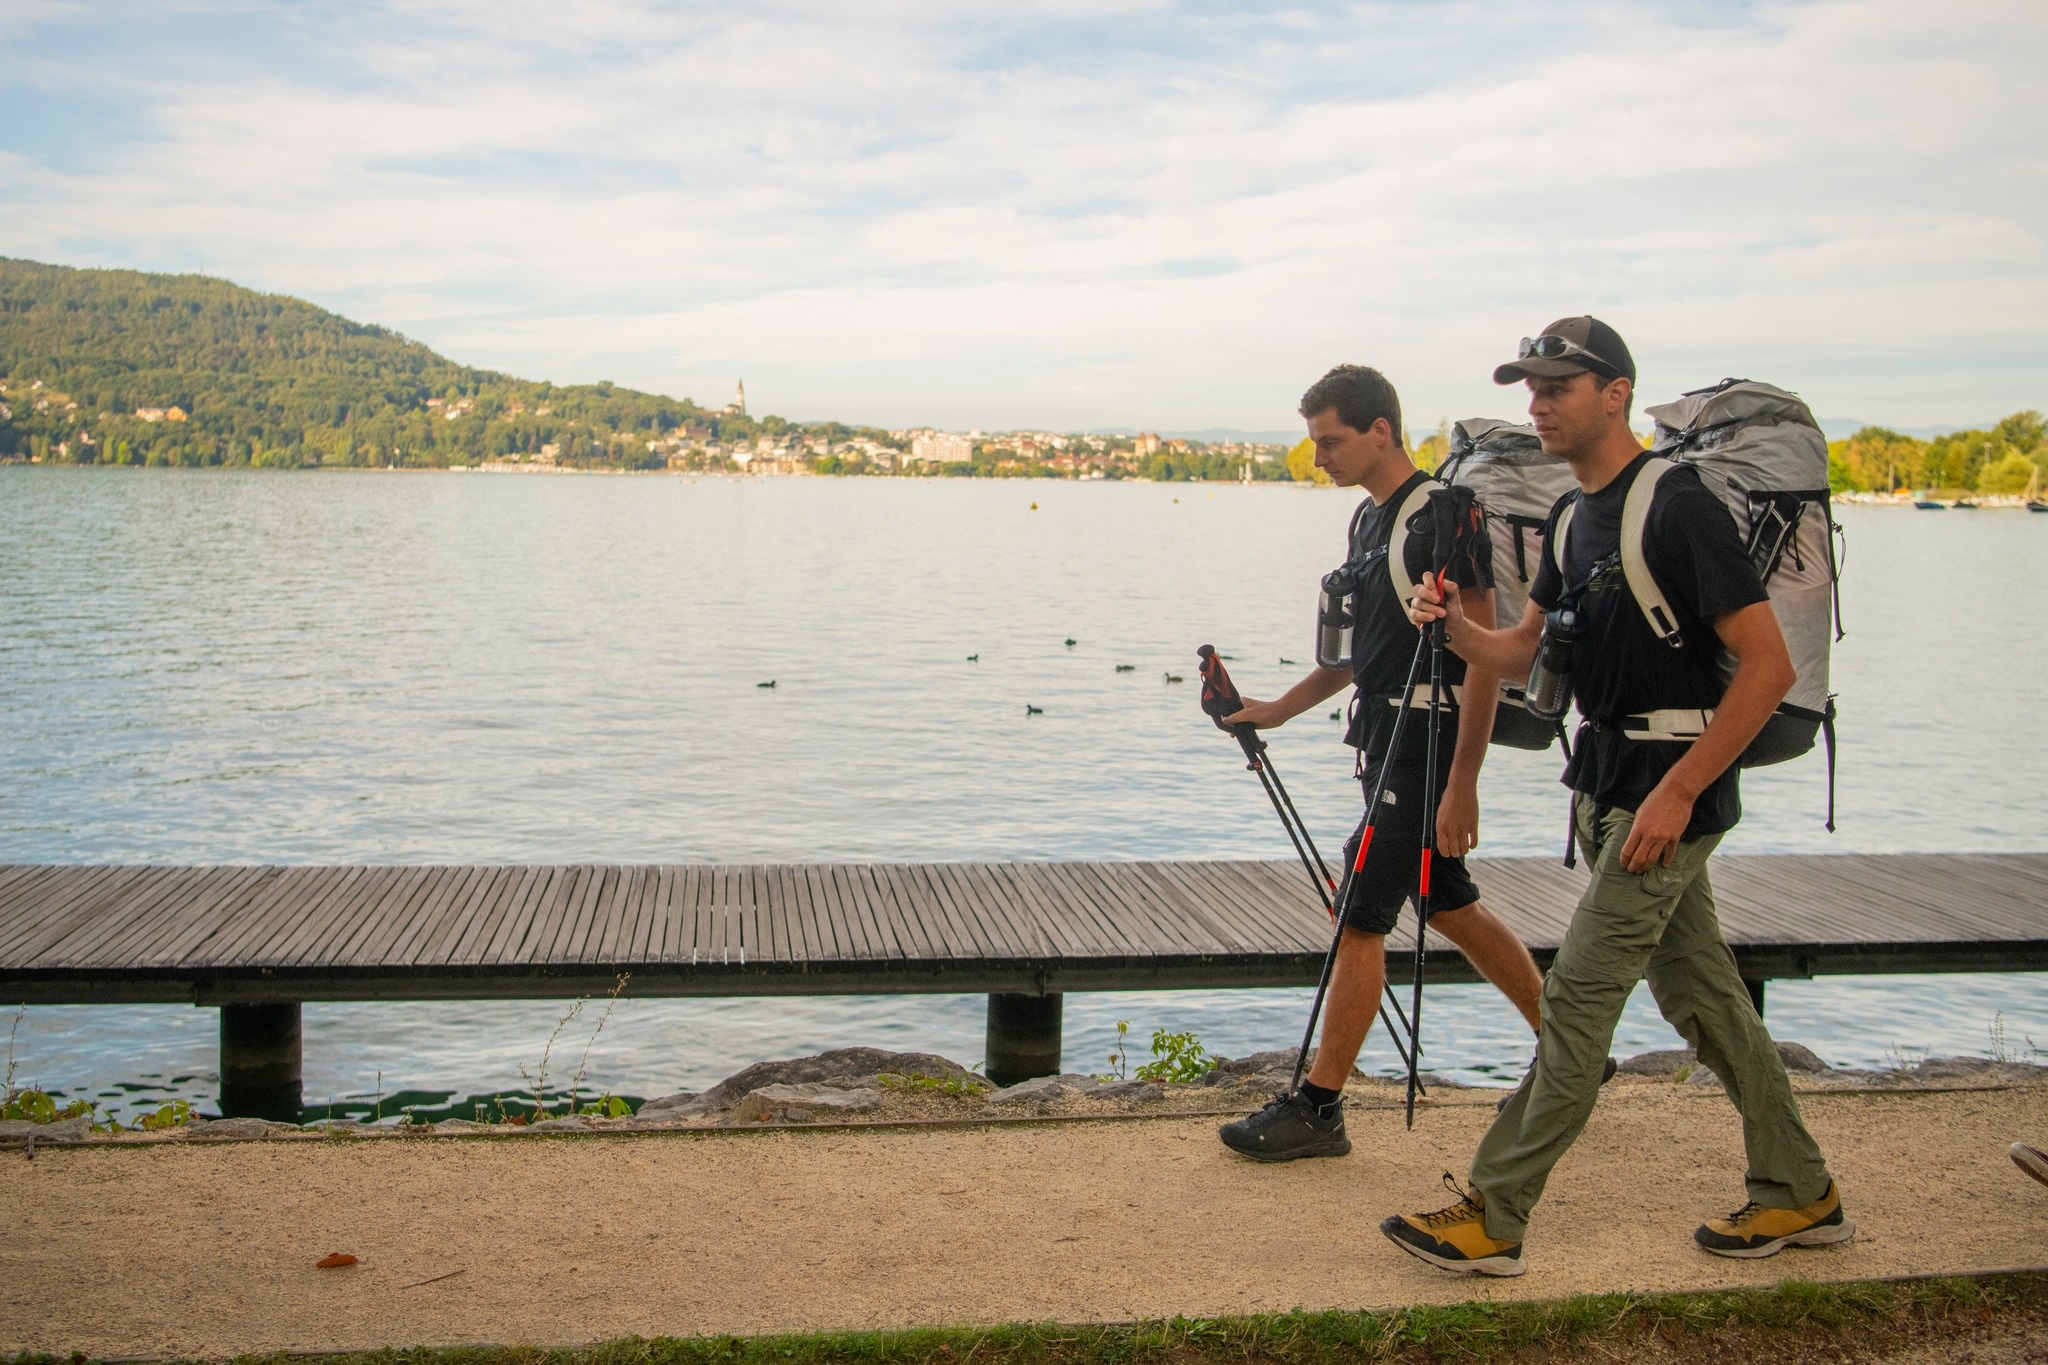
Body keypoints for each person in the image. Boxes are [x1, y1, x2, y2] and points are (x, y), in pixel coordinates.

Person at [1384, 317, 1851, 1276]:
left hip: (1665, 800)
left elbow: (1766, 667)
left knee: (1580, 999)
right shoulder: (1568, 516)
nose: (1539, 403)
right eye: (1531, 388)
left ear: (1617, 392)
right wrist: (1459, 628)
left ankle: (1495, 1212)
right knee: (1706, 1000)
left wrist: (1680, 795)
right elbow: (1523, 650)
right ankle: (1802, 1191)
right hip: (1602, 791)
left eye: (1559, 385)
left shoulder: (1674, 505)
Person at [1215, 364, 1548, 1162]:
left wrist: (1462, 782)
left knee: (1360, 908)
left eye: (1329, 440)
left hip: (1428, 745)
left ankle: (1321, 1106)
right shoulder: (1372, 523)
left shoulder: (1444, 514)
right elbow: (1358, 659)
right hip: (1383, 738)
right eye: (1313, 442)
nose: (1319, 456)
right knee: (1446, 900)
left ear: (1380, 431)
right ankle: (1573, 1047)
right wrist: (1273, 708)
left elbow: (1483, 657)